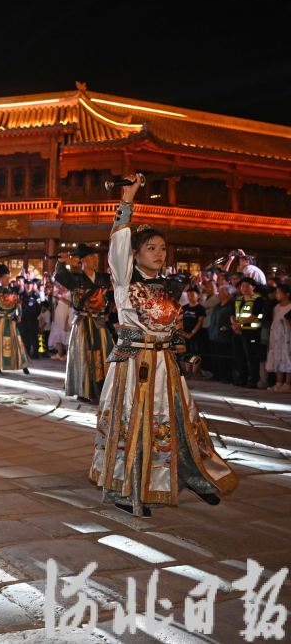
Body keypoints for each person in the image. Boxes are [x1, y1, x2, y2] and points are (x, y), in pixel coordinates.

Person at [90, 177, 237, 517]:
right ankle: (124, 489)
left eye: (162, 248)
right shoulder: (125, 283)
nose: (159, 254)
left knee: (179, 421)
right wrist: (128, 199)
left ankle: (192, 474)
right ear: (134, 254)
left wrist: (185, 356)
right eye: (151, 248)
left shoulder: (168, 287)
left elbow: (175, 328)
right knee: (133, 423)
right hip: (134, 364)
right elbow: (118, 244)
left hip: (165, 366)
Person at [55, 245, 114, 401]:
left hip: (99, 323)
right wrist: (61, 262)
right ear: (83, 260)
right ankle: (83, 390)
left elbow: (112, 297)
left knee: (104, 354)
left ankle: (103, 389)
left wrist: (107, 314)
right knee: (83, 356)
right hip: (82, 322)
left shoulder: (104, 278)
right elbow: (60, 275)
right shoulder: (75, 278)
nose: (95, 260)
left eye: (96, 257)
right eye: (91, 257)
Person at [0, 264, 30, 375]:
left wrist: (19, 315)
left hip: (11, 320)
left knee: (17, 342)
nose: (7, 279)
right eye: (5, 277)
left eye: (9, 277)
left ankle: (23, 365)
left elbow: (18, 304)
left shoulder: (13, 290)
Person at [231, 279, 264, 388]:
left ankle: (253, 380)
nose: (244, 288)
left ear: (253, 287)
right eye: (242, 286)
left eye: (247, 286)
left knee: (251, 356)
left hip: (251, 332)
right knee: (239, 356)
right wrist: (234, 324)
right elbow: (232, 314)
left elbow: (254, 315)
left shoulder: (258, 299)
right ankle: (242, 378)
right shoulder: (238, 299)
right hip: (238, 331)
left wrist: (239, 324)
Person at [264, 283, 291, 392]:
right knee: (277, 357)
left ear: (287, 294)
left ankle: (287, 383)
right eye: (276, 293)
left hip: (287, 336)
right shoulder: (276, 307)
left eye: (279, 293)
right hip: (277, 336)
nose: (277, 295)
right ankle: (278, 383)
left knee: (288, 358)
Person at [180, 288, 207, 378]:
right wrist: (183, 333)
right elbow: (179, 320)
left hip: (196, 335)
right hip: (184, 334)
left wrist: (191, 333)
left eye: (192, 295)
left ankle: (194, 372)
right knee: (187, 353)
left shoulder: (200, 308)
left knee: (195, 354)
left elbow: (200, 322)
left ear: (198, 296)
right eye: (188, 295)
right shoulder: (184, 308)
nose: (190, 297)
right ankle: (188, 372)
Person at [19, 279, 42, 360]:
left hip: (33, 319)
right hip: (23, 319)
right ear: (24, 285)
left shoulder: (36, 295)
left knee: (34, 336)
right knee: (25, 337)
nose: (28, 286)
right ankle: (27, 353)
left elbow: (39, 307)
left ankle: (35, 354)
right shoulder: (21, 295)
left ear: (32, 285)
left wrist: (35, 315)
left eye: (30, 284)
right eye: (26, 284)